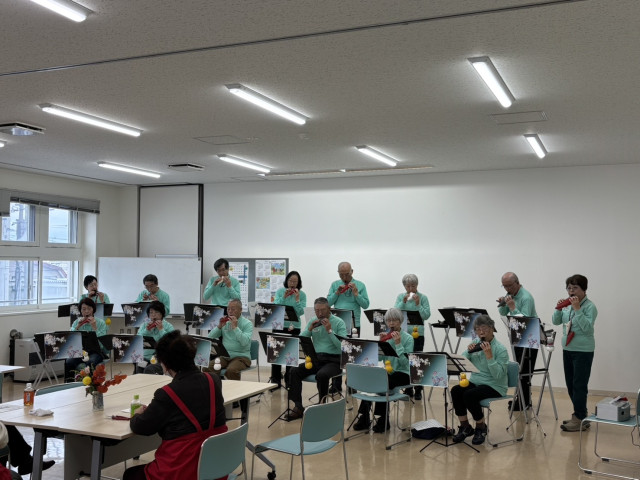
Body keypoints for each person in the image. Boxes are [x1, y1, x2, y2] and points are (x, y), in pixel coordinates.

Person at [123, 331, 227, 480]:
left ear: (165, 365)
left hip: (184, 471)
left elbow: (141, 427)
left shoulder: (167, 394)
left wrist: (137, 414)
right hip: (215, 468)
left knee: (130, 475)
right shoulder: (213, 380)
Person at [451, 315, 509, 446]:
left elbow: (498, 376)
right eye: (477, 329)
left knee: (469, 395)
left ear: (492, 328)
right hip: (476, 382)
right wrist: (468, 352)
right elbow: (463, 363)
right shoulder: (476, 343)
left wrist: (489, 357)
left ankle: (481, 427)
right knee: (456, 390)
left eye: (484, 328)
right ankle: (465, 426)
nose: (481, 332)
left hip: (495, 385)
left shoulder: (501, 349)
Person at [353, 308, 413, 433]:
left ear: (400, 321)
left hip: (404, 373)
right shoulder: (386, 337)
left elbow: (406, 364)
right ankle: (364, 416)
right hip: (389, 372)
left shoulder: (408, 339)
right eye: (388, 321)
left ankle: (383, 419)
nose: (391, 323)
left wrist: (398, 344)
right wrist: (380, 344)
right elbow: (379, 359)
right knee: (372, 380)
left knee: (382, 382)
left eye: (394, 320)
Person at [286, 297, 347, 421]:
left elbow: (342, 347)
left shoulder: (339, 322)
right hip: (316, 358)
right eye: (316, 310)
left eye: (322, 310)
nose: (319, 313)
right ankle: (298, 407)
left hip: (334, 360)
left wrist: (329, 330)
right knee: (294, 371)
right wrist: (309, 329)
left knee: (322, 375)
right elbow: (302, 339)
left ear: (329, 309)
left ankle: (322, 406)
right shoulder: (313, 321)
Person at [552, 274, 597, 432]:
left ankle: (579, 418)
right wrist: (558, 309)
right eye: (569, 288)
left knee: (579, 385)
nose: (571, 291)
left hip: (583, 351)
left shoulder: (590, 307)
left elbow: (587, 328)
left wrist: (577, 309)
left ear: (584, 289)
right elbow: (556, 321)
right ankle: (580, 415)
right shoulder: (567, 305)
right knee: (571, 385)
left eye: (575, 288)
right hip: (568, 348)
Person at [496, 271, 538, 410]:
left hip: (529, 338)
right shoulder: (510, 295)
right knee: (519, 369)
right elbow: (503, 313)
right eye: (504, 286)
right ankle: (522, 400)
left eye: (509, 285)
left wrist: (513, 307)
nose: (507, 289)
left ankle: (524, 402)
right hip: (517, 336)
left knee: (525, 371)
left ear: (517, 282)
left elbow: (524, 321)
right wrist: (503, 304)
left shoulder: (526, 297)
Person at [394, 273, 430, 400]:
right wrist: (403, 302)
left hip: (417, 335)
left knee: (417, 361)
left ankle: (418, 389)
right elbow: (395, 314)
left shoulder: (423, 297)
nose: (410, 289)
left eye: (413, 286)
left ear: (417, 285)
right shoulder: (400, 297)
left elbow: (426, 316)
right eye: (408, 286)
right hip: (404, 335)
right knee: (405, 360)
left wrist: (418, 304)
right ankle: (408, 388)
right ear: (404, 286)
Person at [271, 270, 306, 389]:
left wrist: (297, 299)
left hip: (294, 327)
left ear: (298, 283)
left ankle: (290, 381)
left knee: (290, 356)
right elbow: (276, 306)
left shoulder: (302, 294)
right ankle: (275, 382)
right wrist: (284, 297)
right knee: (276, 355)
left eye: (295, 281)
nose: (292, 284)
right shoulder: (280, 291)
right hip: (278, 325)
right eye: (290, 281)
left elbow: (300, 312)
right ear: (287, 281)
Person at [204, 299, 253, 380]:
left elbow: (244, 342)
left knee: (231, 370)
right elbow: (210, 337)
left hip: (241, 357)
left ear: (240, 310)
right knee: (207, 368)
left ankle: (235, 388)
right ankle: (216, 386)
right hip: (225, 356)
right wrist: (219, 326)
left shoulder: (247, 324)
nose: (230, 311)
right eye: (228, 309)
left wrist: (235, 328)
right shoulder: (225, 322)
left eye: (233, 309)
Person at [65, 297, 108, 381]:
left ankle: (91, 385)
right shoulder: (77, 322)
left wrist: (94, 327)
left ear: (93, 309)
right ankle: (69, 385)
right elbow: (71, 340)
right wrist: (78, 326)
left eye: (89, 308)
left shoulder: (101, 323)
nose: (87, 311)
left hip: (96, 352)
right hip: (80, 352)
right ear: (80, 311)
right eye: (84, 309)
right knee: (69, 362)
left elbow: (102, 344)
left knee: (90, 362)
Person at [327, 261, 370, 330]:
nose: (344, 277)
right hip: (337, 322)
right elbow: (328, 304)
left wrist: (357, 294)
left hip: (354, 323)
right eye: (341, 275)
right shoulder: (334, 284)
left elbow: (365, 305)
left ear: (352, 271)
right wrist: (336, 293)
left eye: (347, 274)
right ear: (338, 272)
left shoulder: (360, 285)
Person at [137, 301, 175, 374]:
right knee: (139, 368)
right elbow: (137, 339)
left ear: (162, 314)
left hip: (161, 359)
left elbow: (171, 342)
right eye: (151, 312)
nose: (153, 315)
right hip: (145, 357)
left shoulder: (168, 326)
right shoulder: (145, 325)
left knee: (150, 369)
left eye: (156, 312)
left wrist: (161, 330)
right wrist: (147, 330)